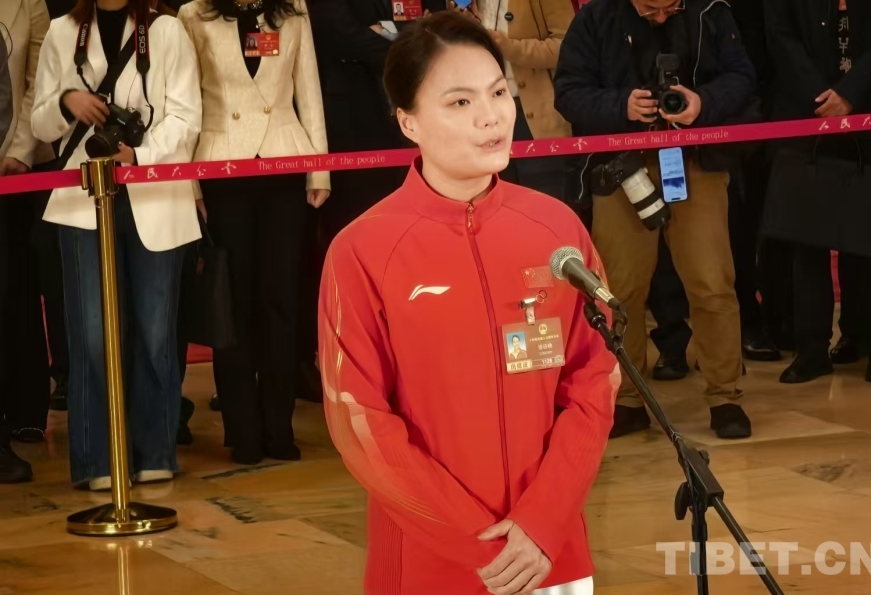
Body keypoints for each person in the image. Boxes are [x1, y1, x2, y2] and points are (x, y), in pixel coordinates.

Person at [319, 12, 617, 595]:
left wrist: (544, 520)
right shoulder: (362, 250)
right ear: (408, 120)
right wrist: (476, 543)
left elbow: (595, 376)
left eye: (498, 92)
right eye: (460, 101)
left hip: (550, 552)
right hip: (432, 562)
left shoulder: (557, 229)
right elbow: (359, 418)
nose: (491, 116)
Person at [554, 0, 758, 439]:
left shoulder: (711, 10)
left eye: (672, 7)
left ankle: (725, 396)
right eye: (651, 9)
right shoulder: (596, 18)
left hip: (696, 160)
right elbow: (568, 92)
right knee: (618, 289)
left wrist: (702, 103)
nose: (662, 16)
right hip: (620, 167)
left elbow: (742, 77)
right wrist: (621, 105)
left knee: (712, 282)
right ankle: (626, 399)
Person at [31, 0, 202, 489]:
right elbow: (40, 125)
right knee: (89, 335)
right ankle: (96, 460)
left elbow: (187, 116)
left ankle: (154, 452)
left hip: (157, 195)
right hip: (80, 199)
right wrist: (67, 101)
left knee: (155, 333)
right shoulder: (63, 31)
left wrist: (139, 153)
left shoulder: (166, 29)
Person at [178, 0, 330, 465]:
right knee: (234, 304)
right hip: (222, 166)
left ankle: (279, 428)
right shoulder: (195, 14)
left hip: (284, 163)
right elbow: (188, 102)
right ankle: (242, 431)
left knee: (280, 302)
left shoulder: (293, 11)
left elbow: (309, 91)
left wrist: (319, 169)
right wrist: (190, 183)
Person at [764, 0, 871, 384]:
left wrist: (850, 94)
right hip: (806, 113)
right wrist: (822, 97)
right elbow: (780, 34)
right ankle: (811, 350)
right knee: (807, 238)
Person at [446, 0, 575, 202]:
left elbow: (568, 46)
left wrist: (509, 47)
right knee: (495, 205)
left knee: (543, 204)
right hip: (482, 117)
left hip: (535, 119)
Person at [0, 0, 52, 483]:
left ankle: (18, 415)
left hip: (13, 168)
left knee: (13, 290)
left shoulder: (28, 3)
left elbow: (38, 80)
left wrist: (19, 150)